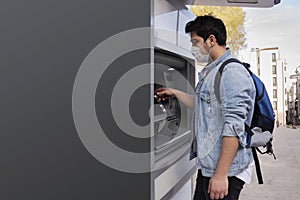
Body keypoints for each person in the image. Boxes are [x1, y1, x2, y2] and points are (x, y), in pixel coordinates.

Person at [155, 15, 256, 200]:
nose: (193, 48)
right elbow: (203, 104)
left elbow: (234, 127)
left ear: (211, 40)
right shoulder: (213, 71)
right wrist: (175, 92)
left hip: (226, 172)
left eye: (195, 42)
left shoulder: (231, 72)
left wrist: (221, 175)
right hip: (210, 167)